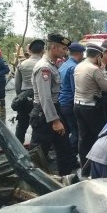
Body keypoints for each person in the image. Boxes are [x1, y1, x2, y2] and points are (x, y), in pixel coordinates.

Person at [29, 33, 78, 175]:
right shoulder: (44, 67)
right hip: (44, 114)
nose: (65, 52)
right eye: (63, 49)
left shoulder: (52, 65)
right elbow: (45, 98)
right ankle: (33, 182)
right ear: (54, 47)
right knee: (38, 153)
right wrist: (55, 120)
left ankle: (66, 179)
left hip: (54, 110)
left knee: (64, 148)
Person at [73, 43, 107, 176]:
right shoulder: (95, 69)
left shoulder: (79, 66)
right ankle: (97, 170)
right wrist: (103, 70)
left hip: (77, 105)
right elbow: (106, 87)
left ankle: (85, 169)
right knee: (98, 138)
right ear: (98, 57)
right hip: (91, 107)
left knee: (83, 138)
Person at [13, 39, 44, 143]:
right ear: (42, 51)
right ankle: (36, 151)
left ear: (30, 51)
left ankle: (18, 149)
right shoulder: (45, 64)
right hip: (39, 99)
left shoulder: (22, 64)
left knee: (21, 125)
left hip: (24, 97)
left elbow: (17, 85)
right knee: (38, 127)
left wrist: (20, 97)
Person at [58, 42, 85, 155]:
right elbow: (75, 90)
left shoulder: (64, 65)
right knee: (76, 132)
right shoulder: (74, 67)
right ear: (79, 53)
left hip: (62, 102)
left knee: (67, 131)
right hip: (70, 103)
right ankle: (71, 157)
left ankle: (66, 156)